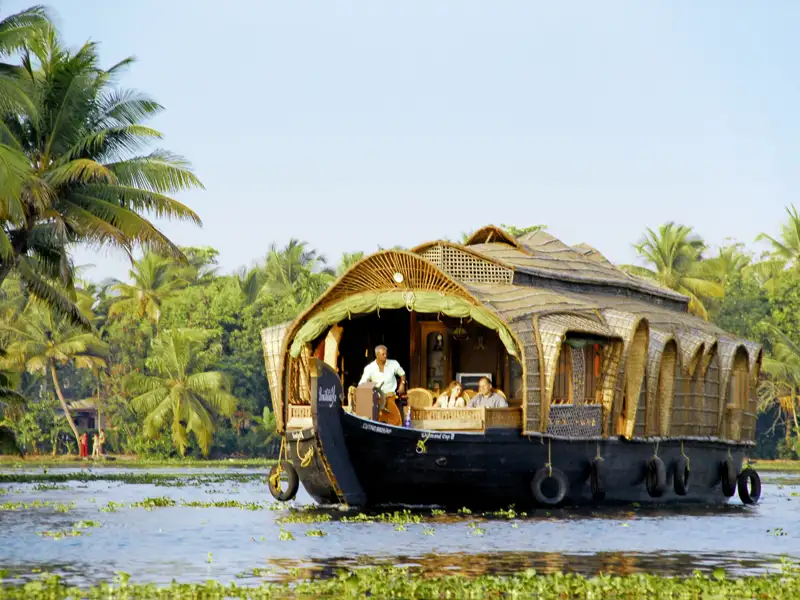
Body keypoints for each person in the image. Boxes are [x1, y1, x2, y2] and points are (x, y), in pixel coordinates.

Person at [359, 345, 406, 413]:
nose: (385, 356)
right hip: (376, 398)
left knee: (395, 418)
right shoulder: (369, 368)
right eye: (383, 354)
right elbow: (362, 383)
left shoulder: (394, 364)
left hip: (391, 396)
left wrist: (403, 384)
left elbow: (402, 374)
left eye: (386, 354)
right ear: (377, 355)